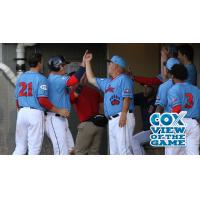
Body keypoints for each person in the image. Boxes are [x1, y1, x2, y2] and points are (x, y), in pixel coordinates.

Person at [14, 53, 69, 155]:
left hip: (21, 112)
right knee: (34, 149)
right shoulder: (41, 78)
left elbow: (17, 101)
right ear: (39, 63)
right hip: (35, 113)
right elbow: (42, 100)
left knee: (20, 148)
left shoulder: (20, 78)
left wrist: (22, 112)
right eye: (42, 61)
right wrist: (59, 110)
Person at [84, 51, 135, 155]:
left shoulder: (124, 78)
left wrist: (124, 114)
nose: (108, 65)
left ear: (116, 66)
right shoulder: (108, 82)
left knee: (124, 150)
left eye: (110, 63)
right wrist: (87, 62)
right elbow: (91, 79)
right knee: (114, 153)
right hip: (112, 120)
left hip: (122, 116)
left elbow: (127, 97)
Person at [45, 55, 86, 155]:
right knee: (61, 151)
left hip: (61, 119)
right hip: (54, 119)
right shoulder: (55, 79)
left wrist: (80, 85)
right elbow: (73, 80)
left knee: (71, 150)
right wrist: (83, 65)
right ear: (57, 66)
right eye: (63, 65)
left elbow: (72, 91)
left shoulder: (57, 79)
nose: (65, 67)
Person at [166, 64, 200, 155]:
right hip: (194, 124)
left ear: (173, 76)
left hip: (178, 121)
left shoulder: (173, 90)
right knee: (193, 155)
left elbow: (177, 108)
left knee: (172, 154)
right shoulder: (196, 89)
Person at [70, 74, 106, 155]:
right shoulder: (95, 91)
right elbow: (102, 108)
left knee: (79, 152)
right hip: (99, 125)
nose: (69, 85)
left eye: (70, 83)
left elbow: (69, 101)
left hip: (86, 125)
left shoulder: (75, 93)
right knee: (94, 153)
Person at [132, 85, 157, 155]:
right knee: (133, 142)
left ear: (153, 89)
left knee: (134, 140)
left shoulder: (157, 100)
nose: (145, 90)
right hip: (146, 130)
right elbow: (129, 98)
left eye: (147, 88)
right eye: (144, 87)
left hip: (155, 131)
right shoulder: (142, 98)